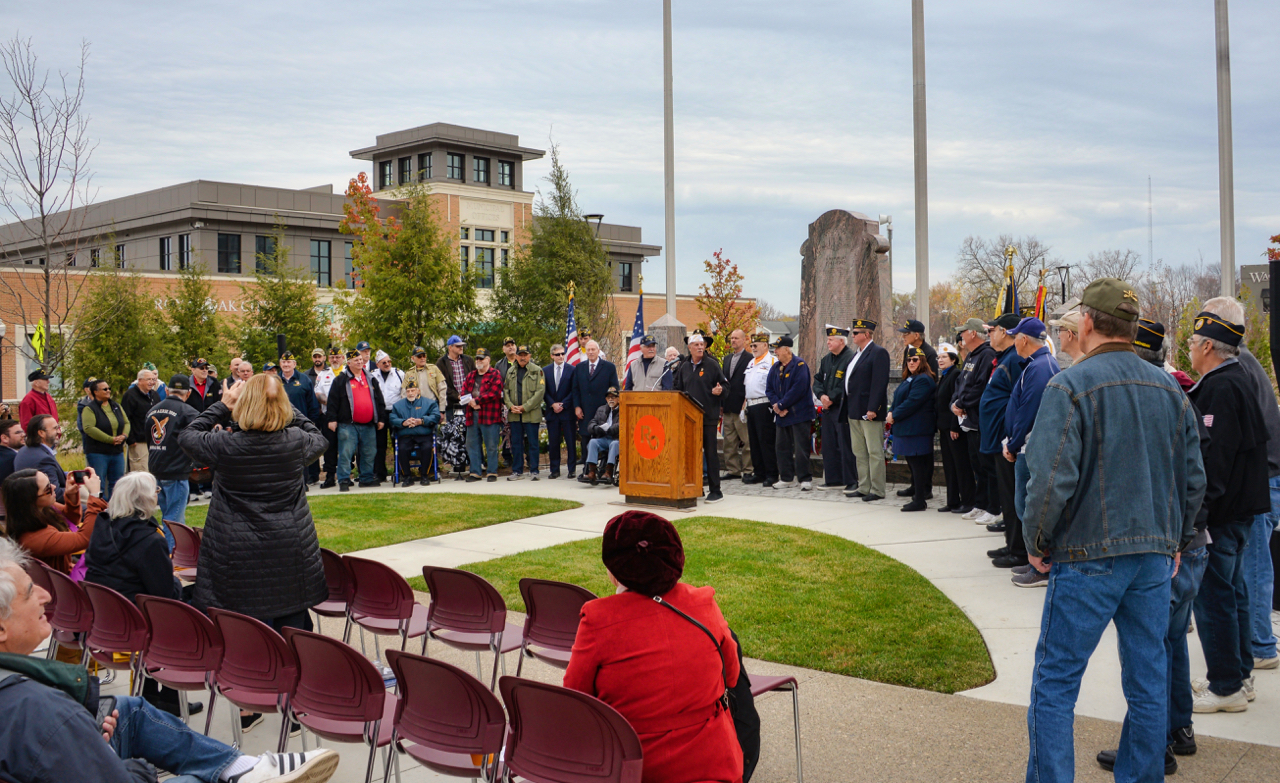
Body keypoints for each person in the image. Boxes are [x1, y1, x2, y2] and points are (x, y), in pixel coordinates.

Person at [1022, 277, 1205, 783]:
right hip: (1152, 554)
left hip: (1087, 554)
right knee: (1148, 679)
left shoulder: (1071, 385)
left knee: (1056, 682)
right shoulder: (1169, 388)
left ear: (1086, 322)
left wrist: (1036, 541)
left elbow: (1050, 479)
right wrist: (1176, 539)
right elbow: (1193, 479)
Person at [0, 537, 340, 783]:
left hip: (111, 635)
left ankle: (242, 768)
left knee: (129, 709)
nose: (46, 595)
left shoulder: (104, 536)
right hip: (147, 641)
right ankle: (238, 774)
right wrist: (131, 765)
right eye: (30, 592)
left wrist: (85, 733)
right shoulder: (39, 711)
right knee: (203, 778)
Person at [1095, 316, 1212, 774]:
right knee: (1170, 641)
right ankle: (1178, 727)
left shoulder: (1156, 397)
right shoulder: (1175, 395)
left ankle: (1151, 746)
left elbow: (1192, 477)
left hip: (1171, 541)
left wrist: (1177, 536)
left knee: (1149, 652)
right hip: (1187, 538)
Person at [563, 511, 743, 783]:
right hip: (711, 763)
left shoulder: (599, 618)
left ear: (613, 568)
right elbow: (732, 675)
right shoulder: (703, 602)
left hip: (633, 766)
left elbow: (576, 696)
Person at [178, 374, 329, 636]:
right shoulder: (295, 441)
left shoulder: (224, 445)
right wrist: (279, 404)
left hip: (236, 549)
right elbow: (317, 435)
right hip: (286, 547)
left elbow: (188, 434)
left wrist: (223, 405)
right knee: (289, 634)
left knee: (244, 635)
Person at [1185, 308, 1270, 713]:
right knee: (1234, 593)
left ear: (1207, 346)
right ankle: (1239, 675)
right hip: (1238, 511)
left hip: (1221, 514)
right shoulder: (1236, 379)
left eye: (1192, 342)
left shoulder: (1222, 387)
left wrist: (1199, 515)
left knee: (1215, 598)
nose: (1189, 348)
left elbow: (1214, 460)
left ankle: (1226, 687)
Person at [1200, 297, 1280, 671]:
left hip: (1257, 484)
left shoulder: (1234, 372)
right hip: (1259, 482)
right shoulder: (1242, 366)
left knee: (1249, 573)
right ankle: (1249, 654)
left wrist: (1208, 504)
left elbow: (1224, 447)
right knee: (1243, 577)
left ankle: (1258, 648)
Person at [1001, 318, 1061, 585]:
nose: (1013, 341)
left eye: (1015, 336)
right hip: (1028, 446)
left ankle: (1042, 566)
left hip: (1030, 448)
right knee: (1026, 507)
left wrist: (1013, 444)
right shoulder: (1039, 364)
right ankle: (1036, 560)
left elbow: (1029, 412)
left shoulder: (1039, 367)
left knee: (1029, 508)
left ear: (1024, 339)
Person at [979, 313, 1027, 546]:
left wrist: (1010, 437)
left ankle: (1015, 548)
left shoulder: (1014, 359)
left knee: (1011, 494)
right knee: (1006, 493)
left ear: (1006, 331)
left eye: (992, 330)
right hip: (996, 436)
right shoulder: (1004, 358)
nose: (989, 334)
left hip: (1005, 438)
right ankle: (1010, 544)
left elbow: (1018, 400)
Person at [3, 467, 104, 575]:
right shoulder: (36, 539)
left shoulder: (38, 510)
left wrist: (71, 495)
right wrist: (95, 496)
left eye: (49, 482)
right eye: (47, 488)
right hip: (66, 581)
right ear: (30, 500)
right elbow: (85, 539)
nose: (54, 487)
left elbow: (70, 520)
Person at [951, 318, 998, 522]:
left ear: (973, 333)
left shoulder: (987, 354)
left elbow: (980, 386)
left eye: (964, 332)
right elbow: (961, 382)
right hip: (968, 419)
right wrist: (955, 403)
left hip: (979, 420)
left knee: (987, 466)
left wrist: (962, 403)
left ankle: (993, 507)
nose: (961, 335)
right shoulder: (971, 355)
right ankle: (980, 504)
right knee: (977, 466)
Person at [673, 331, 727, 503]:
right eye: (696, 345)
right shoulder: (684, 366)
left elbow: (725, 385)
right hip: (688, 419)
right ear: (689, 347)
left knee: (710, 453)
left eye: (702, 344)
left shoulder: (712, 365)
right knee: (691, 454)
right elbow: (677, 389)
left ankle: (716, 490)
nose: (700, 347)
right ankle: (695, 487)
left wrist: (720, 390)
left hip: (707, 416)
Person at [325, 349, 387, 491]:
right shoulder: (340, 380)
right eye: (356, 360)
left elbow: (379, 400)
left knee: (369, 453)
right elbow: (332, 402)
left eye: (360, 360)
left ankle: (366, 478)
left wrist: (381, 418)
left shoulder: (370, 378)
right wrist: (332, 419)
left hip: (369, 424)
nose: (359, 362)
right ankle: (344, 480)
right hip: (348, 424)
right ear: (349, 363)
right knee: (346, 453)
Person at [843, 318, 891, 501]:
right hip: (854, 410)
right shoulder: (856, 354)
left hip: (868, 412)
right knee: (859, 451)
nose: (853, 336)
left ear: (867, 334)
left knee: (874, 451)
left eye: (856, 333)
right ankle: (864, 486)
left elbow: (879, 383)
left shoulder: (878, 352)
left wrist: (873, 408)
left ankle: (877, 489)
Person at [887, 346, 937, 512]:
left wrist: (894, 415)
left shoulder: (924, 379)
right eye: (908, 360)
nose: (911, 362)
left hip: (917, 429)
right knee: (912, 463)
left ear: (922, 361)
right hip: (906, 427)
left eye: (915, 360)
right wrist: (891, 411)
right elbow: (898, 399)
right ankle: (916, 492)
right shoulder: (910, 378)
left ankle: (920, 499)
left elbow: (912, 402)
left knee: (918, 465)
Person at [146, 375, 199, 528]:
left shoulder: (152, 410)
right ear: (188, 393)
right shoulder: (189, 413)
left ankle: (168, 542)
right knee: (175, 520)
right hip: (176, 471)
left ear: (167, 391)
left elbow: (149, 439)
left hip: (156, 468)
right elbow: (196, 441)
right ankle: (172, 544)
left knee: (167, 515)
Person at [766, 335, 815, 491]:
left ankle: (804, 478)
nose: (775, 352)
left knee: (801, 448)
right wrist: (777, 406)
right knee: (782, 447)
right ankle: (786, 478)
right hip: (782, 415)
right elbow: (769, 389)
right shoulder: (775, 368)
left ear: (787, 349)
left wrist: (782, 404)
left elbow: (799, 389)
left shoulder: (799, 365)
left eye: (778, 349)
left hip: (799, 414)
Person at [812, 325, 857, 492]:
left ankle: (851, 480)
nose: (828, 342)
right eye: (828, 339)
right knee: (829, 445)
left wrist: (831, 397)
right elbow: (818, 379)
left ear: (841, 341)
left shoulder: (850, 358)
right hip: (828, 409)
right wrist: (821, 395)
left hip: (842, 408)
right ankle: (833, 479)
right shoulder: (826, 359)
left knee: (845, 445)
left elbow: (847, 383)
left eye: (831, 340)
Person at [78, 379, 130, 501]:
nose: (108, 391)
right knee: (98, 483)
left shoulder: (116, 406)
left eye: (109, 388)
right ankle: (99, 508)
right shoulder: (89, 409)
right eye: (105, 389)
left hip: (117, 451)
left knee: (117, 483)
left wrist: (124, 436)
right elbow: (89, 428)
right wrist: (110, 439)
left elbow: (126, 422)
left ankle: (115, 507)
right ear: (95, 392)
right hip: (98, 452)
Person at [276, 352, 322, 485]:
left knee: (301, 453)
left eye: (289, 362)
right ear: (280, 364)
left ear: (294, 364)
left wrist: (312, 422)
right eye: (283, 362)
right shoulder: (274, 380)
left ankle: (303, 482)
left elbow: (312, 403)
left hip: (300, 424)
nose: (286, 364)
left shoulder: (304, 379)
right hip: (280, 424)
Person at [934, 343, 970, 514]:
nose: (940, 360)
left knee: (960, 466)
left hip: (953, 428)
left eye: (944, 357)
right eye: (939, 357)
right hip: (944, 427)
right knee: (949, 466)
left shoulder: (955, 374)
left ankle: (967, 500)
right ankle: (952, 500)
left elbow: (956, 401)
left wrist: (955, 426)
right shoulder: (945, 375)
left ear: (953, 359)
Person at [572, 340, 619, 464]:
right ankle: (587, 467)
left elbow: (614, 389)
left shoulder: (609, 367)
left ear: (598, 351)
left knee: (604, 436)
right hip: (585, 410)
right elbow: (575, 389)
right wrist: (577, 406)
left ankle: (604, 466)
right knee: (586, 437)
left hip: (604, 410)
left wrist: (611, 406)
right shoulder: (579, 367)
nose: (591, 352)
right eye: (588, 350)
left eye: (593, 349)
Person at [437, 335, 477, 479]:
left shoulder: (468, 360)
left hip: (469, 403)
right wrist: (457, 396)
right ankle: (458, 465)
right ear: (450, 347)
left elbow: (475, 378)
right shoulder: (441, 362)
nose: (461, 348)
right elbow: (442, 385)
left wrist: (469, 396)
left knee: (471, 433)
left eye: (462, 346)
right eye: (458, 346)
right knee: (455, 435)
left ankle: (475, 464)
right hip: (453, 404)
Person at [462, 347, 505, 482]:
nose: (478, 361)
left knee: (491, 445)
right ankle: (475, 472)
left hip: (489, 415)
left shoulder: (495, 374)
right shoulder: (471, 375)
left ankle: (492, 472)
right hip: (472, 415)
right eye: (477, 358)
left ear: (488, 360)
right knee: (472, 444)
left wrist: (477, 401)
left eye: (481, 358)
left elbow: (494, 392)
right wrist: (471, 402)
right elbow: (463, 391)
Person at [742, 333, 779, 489]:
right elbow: (748, 386)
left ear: (765, 345)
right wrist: (744, 406)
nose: (753, 348)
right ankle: (759, 472)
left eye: (756, 345)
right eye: (752, 345)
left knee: (766, 441)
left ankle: (772, 473)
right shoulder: (751, 362)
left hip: (765, 405)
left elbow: (776, 385)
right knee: (754, 442)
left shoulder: (772, 361)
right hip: (751, 405)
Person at [504, 345, 544, 481]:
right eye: (520, 355)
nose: (522, 357)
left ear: (529, 356)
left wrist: (524, 407)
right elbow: (505, 391)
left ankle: (534, 470)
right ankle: (517, 471)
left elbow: (540, 392)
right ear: (516, 356)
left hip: (531, 414)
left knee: (533, 443)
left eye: (525, 355)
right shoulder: (510, 371)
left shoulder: (537, 371)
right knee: (516, 444)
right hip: (514, 414)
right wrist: (510, 406)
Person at [390, 379, 440, 487]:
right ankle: (407, 477)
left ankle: (424, 476)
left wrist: (422, 421)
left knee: (427, 448)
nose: (410, 393)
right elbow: (392, 418)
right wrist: (403, 422)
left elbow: (436, 416)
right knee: (402, 449)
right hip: (406, 435)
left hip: (423, 434)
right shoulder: (398, 405)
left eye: (413, 390)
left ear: (418, 391)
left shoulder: (429, 403)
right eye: (408, 391)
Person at [719, 330, 753, 481]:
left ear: (744, 340)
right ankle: (733, 470)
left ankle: (748, 470)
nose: (733, 340)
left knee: (746, 441)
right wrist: (721, 403)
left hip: (742, 406)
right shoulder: (727, 359)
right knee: (729, 441)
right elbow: (723, 381)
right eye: (732, 338)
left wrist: (745, 404)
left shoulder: (750, 359)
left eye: (736, 338)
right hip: (728, 406)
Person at [543, 343, 579, 479]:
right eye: (557, 354)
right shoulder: (545, 371)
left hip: (567, 412)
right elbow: (543, 391)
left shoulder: (572, 370)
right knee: (553, 443)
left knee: (570, 442)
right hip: (552, 412)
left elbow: (574, 390)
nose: (561, 356)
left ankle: (572, 469)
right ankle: (555, 470)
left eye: (563, 354)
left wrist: (563, 404)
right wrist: (552, 404)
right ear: (552, 356)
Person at [312, 347, 344, 488]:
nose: (335, 359)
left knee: (345, 448)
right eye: (332, 357)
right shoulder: (323, 374)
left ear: (342, 358)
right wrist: (332, 404)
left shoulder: (347, 372)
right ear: (329, 359)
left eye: (337, 357)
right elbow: (318, 393)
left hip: (345, 417)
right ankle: (330, 477)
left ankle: (344, 477)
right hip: (328, 416)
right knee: (329, 448)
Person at [14, 415, 66, 502]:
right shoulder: (43, 460)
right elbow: (56, 494)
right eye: (55, 428)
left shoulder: (25, 450)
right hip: (48, 506)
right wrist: (76, 488)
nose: (59, 431)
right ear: (41, 433)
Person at [370, 350, 404, 483]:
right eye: (384, 362)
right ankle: (380, 473)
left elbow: (404, 393)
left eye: (389, 361)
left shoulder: (399, 374)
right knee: (380, 445)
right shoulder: (372, 375)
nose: (387, 364)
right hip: (380, 413)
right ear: (378, 364)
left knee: (398, 442)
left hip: (396, 412)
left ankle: (400, 471)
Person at [580, 387, 622, 486]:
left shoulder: (623, 409)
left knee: (614, 444)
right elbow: (592, 422)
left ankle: (608, 472)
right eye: (608, 397)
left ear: (619, 399)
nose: (611, 399)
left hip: (616, 438)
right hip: (603, 438)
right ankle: (592, 472)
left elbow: (622, 424)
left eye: (613, 397)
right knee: (593, 442)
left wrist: (610, 429)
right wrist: (596, 428)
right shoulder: (601, 409)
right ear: (606, 399)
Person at [122, 368, 161, 473]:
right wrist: (131, 440)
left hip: (154, 441)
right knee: (140, 472)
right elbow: (125, 418)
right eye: (148, 379)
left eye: (153, 379)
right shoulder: (130, 396)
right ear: (139, 380)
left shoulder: (155, 395)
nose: (151, 382)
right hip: (138, 442)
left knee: (153, 472)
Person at [404, 345, 449, 411]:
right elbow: (404, 393)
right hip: (416, 408)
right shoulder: (409, 373)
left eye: (424, 356)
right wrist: (407, 409)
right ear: (413, 358)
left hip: (433, 406)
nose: (422, 358)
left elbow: (442, 389)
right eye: (419, 356)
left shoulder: (434, 369)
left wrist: (442, 409)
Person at [0, 419, 22, 520]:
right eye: (18, 433)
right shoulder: (13, 458)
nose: (23, 435)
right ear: (4, 438)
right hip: (9, 515)